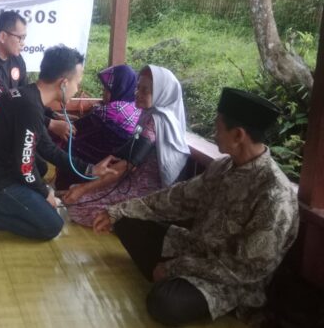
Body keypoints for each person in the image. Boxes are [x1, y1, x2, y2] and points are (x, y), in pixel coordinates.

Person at [91, 88, 299, 326]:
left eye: (218, 128)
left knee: (164, 303)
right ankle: (170, 279)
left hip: (230, 282)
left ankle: (173, 283)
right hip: (194, 249)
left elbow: (245, 270)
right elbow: (177, 198)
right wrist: (117, 211)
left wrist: (174, 267)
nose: (214, 134)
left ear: (238, 135)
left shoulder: (274, 195)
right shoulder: (223, 167)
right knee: (126, 221)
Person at [0, 45, 89, 240]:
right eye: (77, 83)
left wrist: (89, 169)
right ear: (64, 83)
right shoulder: (29, 107)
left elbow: (47, 148)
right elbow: (25, 167)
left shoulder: (28, 96)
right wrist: (45, 193)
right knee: (52, 226)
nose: (77, 89)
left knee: (40, 168)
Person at [62, 65, 190, 227]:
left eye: (145, 90)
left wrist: (84, 188)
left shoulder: (156, 121)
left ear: (161, 93)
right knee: (76, 192)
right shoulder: (148, 114)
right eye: (138, 87)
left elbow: (128, 165)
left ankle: (130, 226)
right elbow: (127, 154)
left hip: (148, 190)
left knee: (78, 206)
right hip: (133, 180)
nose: (137, 93)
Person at [0, 10, 71, 140]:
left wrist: (52, 115)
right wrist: (50, 124)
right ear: (3, 37)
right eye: (20, 38)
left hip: (6, 125)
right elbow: (7, 103)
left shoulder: (17, 59)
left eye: (24, 38)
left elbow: (27, 96)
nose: (23, 43)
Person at [55, 64, 142, 190]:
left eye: (106, 89)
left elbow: (77, 128)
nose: (103, 93)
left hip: (92, 165)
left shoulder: (113, 109)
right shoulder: (136, 108)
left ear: (119, 88)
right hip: (112, 170)